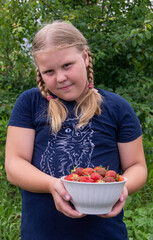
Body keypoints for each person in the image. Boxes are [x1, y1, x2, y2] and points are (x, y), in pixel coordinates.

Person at [5, 20, 147, 240]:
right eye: (49, 71)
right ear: (40, 72)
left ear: (85, 57)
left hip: (104, 234)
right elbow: (14, 166)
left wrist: (122, 188)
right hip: (41, 234)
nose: (61, 78)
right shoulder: (29, 103)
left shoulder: (117, 108)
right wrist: (53, 185)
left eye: (67, 65)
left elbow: (137, 166)